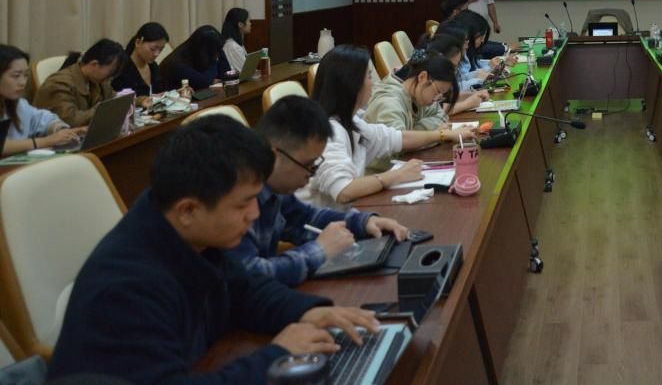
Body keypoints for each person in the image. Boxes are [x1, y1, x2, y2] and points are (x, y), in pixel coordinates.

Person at [47, 116, 382, 383]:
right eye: (243, 204)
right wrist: (276, 356)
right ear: (188, 210)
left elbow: (243, 289)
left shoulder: (184, 230)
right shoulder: (127, 289)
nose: (254, 214)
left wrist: (306, 312)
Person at [232, 95, 409, 286]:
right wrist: (320, 250)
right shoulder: (237, 199)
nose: (311, 175)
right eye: (308, 165)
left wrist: (364, 222)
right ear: (274, 157)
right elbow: (251, 276)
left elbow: (305, 218)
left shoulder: (275, 189)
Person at [297, 45, 475, 209]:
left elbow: (398, 137)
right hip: (321, 224)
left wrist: (443, 135)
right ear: (351, 84)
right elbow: (343, 190)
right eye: (368, 76)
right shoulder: (330, 131)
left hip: (347, 213)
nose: (373, 83)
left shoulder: (353, 123)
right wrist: (397, 176)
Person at [362, 53, 471, 172]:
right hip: (378, 173)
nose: (436, 99)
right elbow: (399, 146)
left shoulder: (416, 95)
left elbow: (441, 115)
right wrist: (439, 134)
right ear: (422, 77)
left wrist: (416, 134)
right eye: (437, 92)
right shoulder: (389, 102)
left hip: (400, 169)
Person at [2, 44, 82, 157]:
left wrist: (61, 130)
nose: (22, 82)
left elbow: (42, 118)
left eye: (25, 75)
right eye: (16, 76)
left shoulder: (18, 104)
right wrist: (46, 141)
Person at [33, 39, 124, 127]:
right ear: (94, 64)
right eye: (110, 73)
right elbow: (69, 120)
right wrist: (100, 111)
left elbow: (112, 99)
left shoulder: (97, 80)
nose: (109, 78)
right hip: (56, 135)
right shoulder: (59, 83)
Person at [112, 22, 170, 105]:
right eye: (153, 49)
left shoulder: (153, 66)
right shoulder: (121, 69)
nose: (156, 54)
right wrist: (140, 101)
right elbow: (118, 101)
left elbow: (160, 94)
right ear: (138, 42)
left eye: (160, 50)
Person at [159, 25, 231, 91]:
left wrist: (219, 50)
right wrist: (214, 60)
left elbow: (226, 73)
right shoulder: (177, 63)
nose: (216, 53)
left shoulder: (200, 54)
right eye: (215, 50)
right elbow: (204, 82)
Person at [220, 8, 252, 74]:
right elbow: (246, 70)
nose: (250, 23)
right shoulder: (232, 45)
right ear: (240, 24)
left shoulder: (236, 42)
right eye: (248, 21)